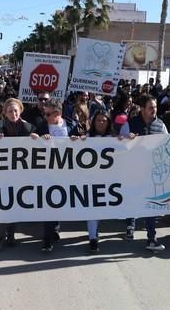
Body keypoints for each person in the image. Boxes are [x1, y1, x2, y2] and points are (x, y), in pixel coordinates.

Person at [32, 98, 82, 252]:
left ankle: (55, 228)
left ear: (58, 113)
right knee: (49, 204)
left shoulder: (72, 125)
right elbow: (31, 138)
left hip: (68, 173)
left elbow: (85, 143)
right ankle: (47, 240)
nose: (45, 116)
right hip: (48, 172)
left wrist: (79, 140)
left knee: (61, 202)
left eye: (47, 114)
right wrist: (37, 137)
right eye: (44, 113)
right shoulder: (42, 126)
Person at [120, 94, 168, 251]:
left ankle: (151, 238)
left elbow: (168, 144)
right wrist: (127, 139)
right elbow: (119, 144)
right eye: (150, 107)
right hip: (133, 171)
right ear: (142, 109)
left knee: (150, 204)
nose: (154, 110)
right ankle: (130, 226)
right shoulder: (130, 124)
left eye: (155, 107)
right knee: (132, 199)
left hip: (152, 172)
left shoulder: (161, 125)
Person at [0, 98, 35, 251]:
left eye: (16, 110)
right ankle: (0, 239)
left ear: (20, 111)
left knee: (14, 205)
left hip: (20, 174)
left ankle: (11, 236)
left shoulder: (28, 127)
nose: (13, 113)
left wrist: (38, 139)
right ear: (5, 113)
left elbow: (38, 145)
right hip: (3, 174)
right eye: (10, 111)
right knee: (4, 206)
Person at [86, 110, 113, 252]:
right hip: (91, 179)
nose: (101, 123)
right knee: (92, 210)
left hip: (109, 181)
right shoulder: (86, 137)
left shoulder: (114, 138)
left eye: (104, 120)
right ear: (93, 122)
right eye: (98, 120)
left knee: (101, 209)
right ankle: (92, 238)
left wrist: (129, 139)